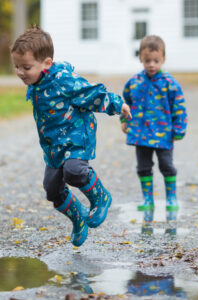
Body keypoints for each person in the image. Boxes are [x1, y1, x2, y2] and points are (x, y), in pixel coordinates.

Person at [10, 26, 131, 247]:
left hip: (76, 137)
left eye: (26, 67)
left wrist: (117, 104)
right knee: (52, 190)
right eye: (17, 66)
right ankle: (78, 218)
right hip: (54, 147)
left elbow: (91, 93)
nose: (20, 72)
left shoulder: (62, 80)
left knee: (74, 172)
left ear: (46, 63)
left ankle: (100, 196)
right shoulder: (36, 83)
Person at [121, 35, 187, 212]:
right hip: (141, 134)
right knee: (143, 167)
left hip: (164, 134)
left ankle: (171, 197)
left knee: (166, 165)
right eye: (148, 60)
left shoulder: (170, 84)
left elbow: (179, 107)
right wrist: (125, 121)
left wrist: (179, 129)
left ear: (163, 59)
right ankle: (147, 199)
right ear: (141, 58)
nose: (152, 64)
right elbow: (125, 104)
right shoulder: (133, 83)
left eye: (156, 61)